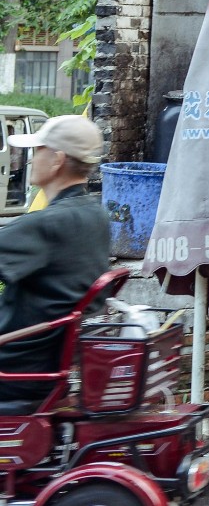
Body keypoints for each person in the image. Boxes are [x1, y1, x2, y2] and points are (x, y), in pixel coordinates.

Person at [0, 116, 111, 399]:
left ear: (57, 160)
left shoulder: (48, 224)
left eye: (38, 150)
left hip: (15, 370)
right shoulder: (95, 216)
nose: (30, 158)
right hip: (43, 361)